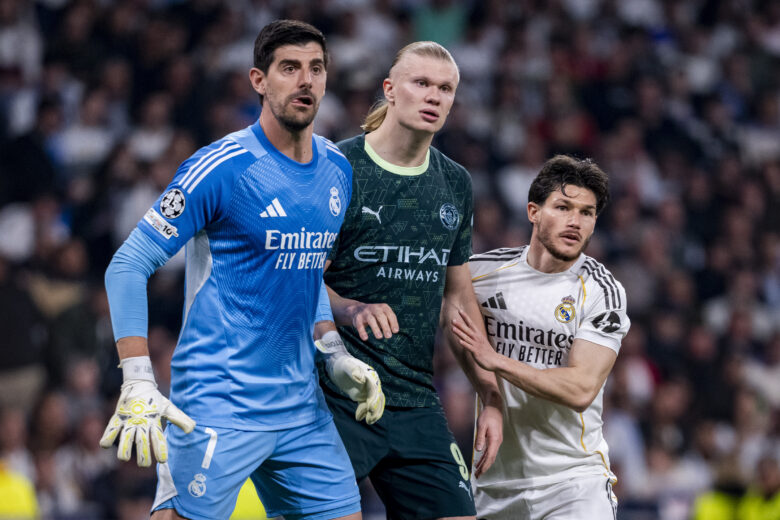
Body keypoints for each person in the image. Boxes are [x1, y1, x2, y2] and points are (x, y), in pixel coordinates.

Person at [99, 20, 384, 520]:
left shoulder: (337, 170)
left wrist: (333, 351)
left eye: (316, 68)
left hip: (302, 411)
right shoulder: (221, 166)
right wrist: (138, 377)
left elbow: (305, 274)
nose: (305, 80)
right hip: (217, 406)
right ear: (258, 80)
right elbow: (127, 265)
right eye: (289, 68)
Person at [314, 41, 503, 520]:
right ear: (390, 90)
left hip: (415, 398)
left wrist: (490, 396)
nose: (434, 96)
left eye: (445, 89)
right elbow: (300, 280)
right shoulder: (338, 168)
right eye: (421, 83)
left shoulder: (455, 183)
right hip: (333, 394)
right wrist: (350, 308)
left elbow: (458, 301)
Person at [451, 155, 631, 519]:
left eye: (587, 213)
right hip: (493, 486)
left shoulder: (602, 291)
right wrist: (489, 394)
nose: (575, 221)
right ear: (533, 211)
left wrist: (497, 359)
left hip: (573, 484)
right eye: (563, 207)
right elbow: (450, 313)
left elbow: (580, 389)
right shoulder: (481, 274)